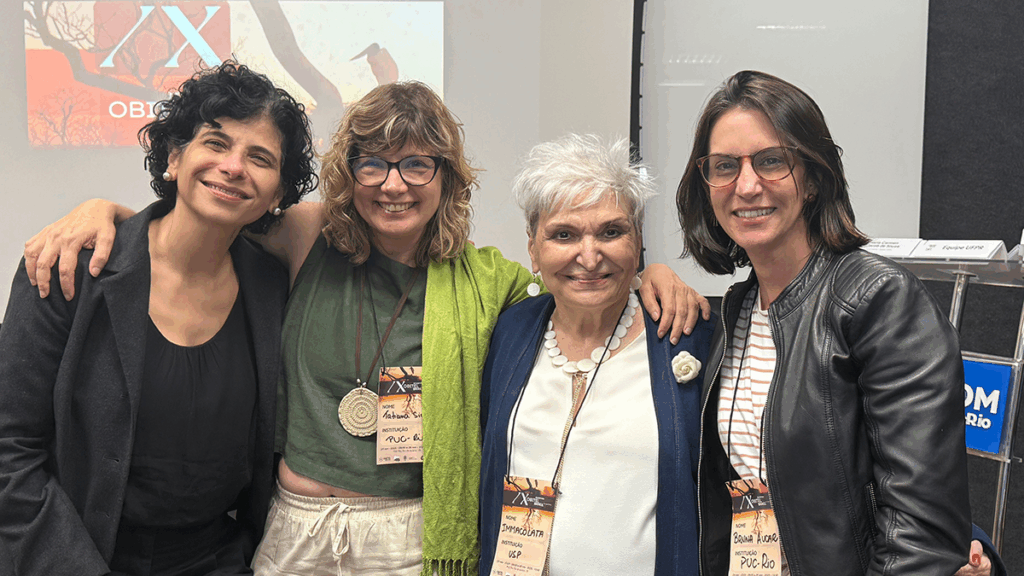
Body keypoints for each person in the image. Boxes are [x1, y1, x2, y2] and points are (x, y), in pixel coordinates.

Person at [21, 82, 710, 575]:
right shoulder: (306, 236)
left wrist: (650, 274)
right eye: (372, 162)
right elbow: (203, 216)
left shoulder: (487, 279)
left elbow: (577, 284)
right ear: (347, 173)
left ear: (446, 178)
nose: (393, 183)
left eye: (417, 164)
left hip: (410, 539)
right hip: (293, 531)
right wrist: (102, 209)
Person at [675, 70, 1005, 576]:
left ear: (812, 177)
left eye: (771, 161)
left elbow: (920, 531)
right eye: (724, 166)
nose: (746, 185)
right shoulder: (736, 310)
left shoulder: (878, 299)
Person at [0, 62, 317, 576]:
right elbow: (9, 451)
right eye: (215, 143)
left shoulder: (273, 288)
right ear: (174, 157)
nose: (234, 166)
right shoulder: (70, 268)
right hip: (77, 556)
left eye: (260, 158)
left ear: (278, 194)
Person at [479, 135, 714, 576]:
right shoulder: (510, 331)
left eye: (611, 232)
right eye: (563, 235)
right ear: (533, 249)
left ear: (637, 241)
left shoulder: (685, 335)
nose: (589, 257)